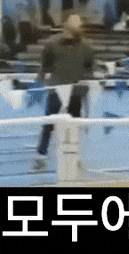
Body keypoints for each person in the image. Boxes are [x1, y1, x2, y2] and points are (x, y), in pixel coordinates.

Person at [33, 14, 95, 171]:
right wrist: (39, 84)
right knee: (49, 125)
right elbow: (44, 67)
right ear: (65, 26)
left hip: (75, 93)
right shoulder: (52, 44)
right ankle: (41, 156)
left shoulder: (87, 48)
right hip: (56, 91)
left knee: (75, 126)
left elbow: (90, 69)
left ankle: (75, 157)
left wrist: (85, 86)